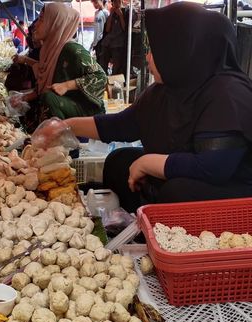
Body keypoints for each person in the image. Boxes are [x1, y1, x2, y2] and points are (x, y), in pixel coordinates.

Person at [38, 2, 252, 212]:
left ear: (184, 50)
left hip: (230, 191)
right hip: (186, 171)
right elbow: (121, 125)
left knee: (177, 193)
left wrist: (148, 163)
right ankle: (137, 224)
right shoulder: (166, 89)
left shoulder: (228, 94)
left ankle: (159, 234)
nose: (148, 57)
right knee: (118, 161)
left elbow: (213, 168)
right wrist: (65, 126)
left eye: (158, 50)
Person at [13, 3, 107, 132]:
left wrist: (67, 85)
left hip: (85, 109)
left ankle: (60, 139)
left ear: (55, 24)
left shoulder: (72, 49)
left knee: (48, 98)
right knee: (32, 106)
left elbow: (100, 77)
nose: (35, 25)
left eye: (41, 19)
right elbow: (45, 83)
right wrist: (25, 97)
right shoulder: (49, 50)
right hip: (64, 105)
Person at [98, 0, 136, 75]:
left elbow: (125, 28)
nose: (116, 3)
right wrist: (111, 14)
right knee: (103, 61)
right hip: (108, 42)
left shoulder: (127, 11)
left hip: (118, 43)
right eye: (114, 2)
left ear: (121, 1)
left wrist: (121, 16)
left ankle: (114, 79)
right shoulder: (111, 13)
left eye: (118, 1)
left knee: (117, 64)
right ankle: (104, 77)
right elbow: (107, 29)